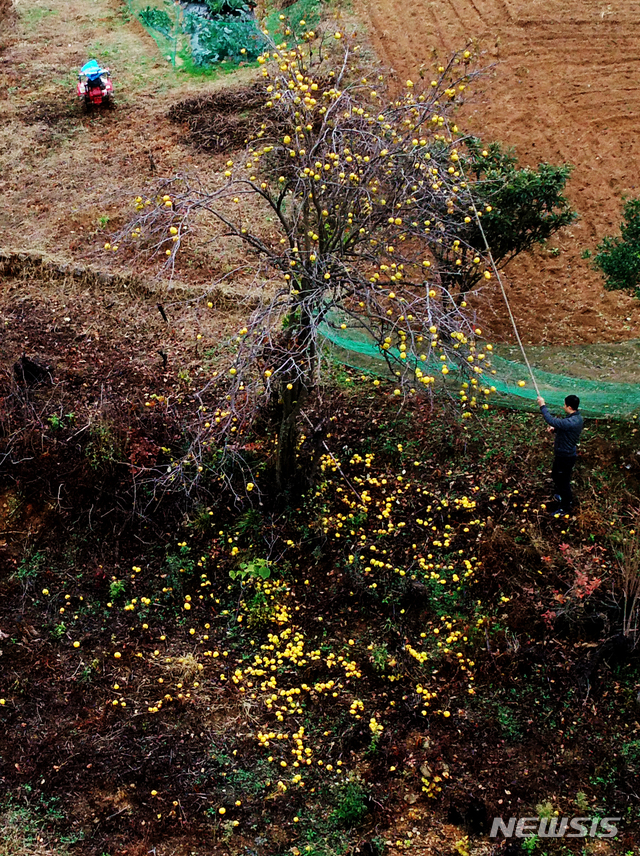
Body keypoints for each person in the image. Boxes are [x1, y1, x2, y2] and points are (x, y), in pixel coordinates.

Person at [536, 394, 584, 514]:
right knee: (556, 476)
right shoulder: (576, 418)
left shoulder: (571, 421)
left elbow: (551, 420)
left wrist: (542, 405)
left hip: (566, 457)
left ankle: (565, 507)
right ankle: (560, 494)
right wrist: (555, 429)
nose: (563, 407)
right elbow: (565, 428)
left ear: (569, 406)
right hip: (562, 455)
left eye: (564, 405)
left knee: (564, 482)